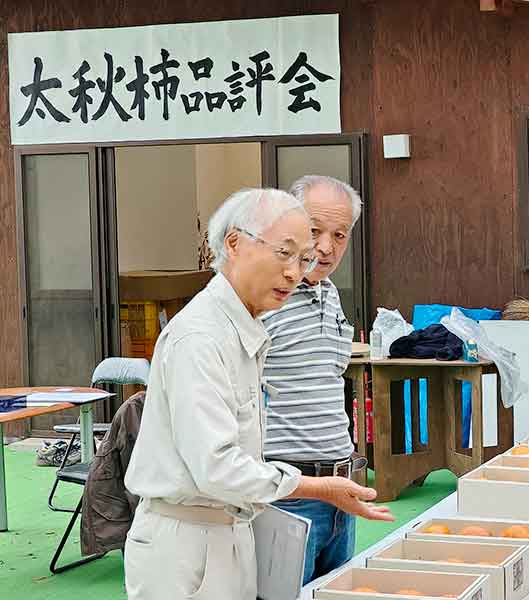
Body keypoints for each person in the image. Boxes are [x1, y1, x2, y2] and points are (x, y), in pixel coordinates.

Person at [124, 188, 392, 600]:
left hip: (234, 526)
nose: (295, 272)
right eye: (284, 253)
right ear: (234, 243)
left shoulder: (244, 324)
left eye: (303, 260)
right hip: (189, 541)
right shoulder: (201, 337)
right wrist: (316, 487)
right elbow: (216, 467)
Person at [260, 175, 364, 584]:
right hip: (288, 492)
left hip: (342, 487)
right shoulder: (264, 294)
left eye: (339, 235)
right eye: (315, 230)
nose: (326, 246)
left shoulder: (329, 291)